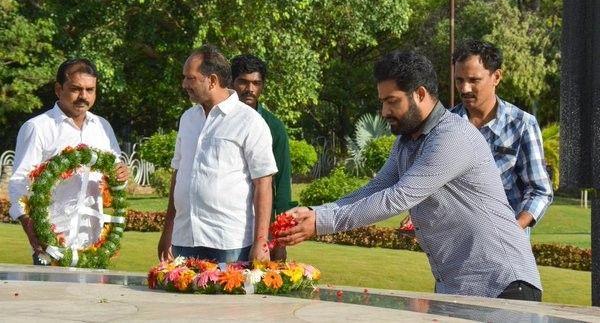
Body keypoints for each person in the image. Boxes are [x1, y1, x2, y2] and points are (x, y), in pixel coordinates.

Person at [279, 50, 542, 301]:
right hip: (457, 287)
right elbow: (377, 187)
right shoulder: (407, 141)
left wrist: (321, 222)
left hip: (503, 285)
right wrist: (316, 212)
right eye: (382, 102)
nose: (384, 112)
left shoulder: (452, 136)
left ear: (419, 94)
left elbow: (397, 198)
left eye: (392, 101)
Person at [157, 45, 278, 263]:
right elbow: (178, 176)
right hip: (185, 238)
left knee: (228, 299)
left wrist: (261, 241)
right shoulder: (188, 119)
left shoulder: (249, 121)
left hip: (228, 242)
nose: (184, 84)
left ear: (212, 80)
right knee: (179, 299)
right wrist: (168, 232)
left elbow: (263, 184)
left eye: (190, 78)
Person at [8, 58, 129, 265]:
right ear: (58, 89)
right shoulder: (38, 128)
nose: (84, 96)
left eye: (90, 90)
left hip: (94, 244)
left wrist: (121, 175)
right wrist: (28, 224)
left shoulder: (102, 127)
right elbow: (19, 182)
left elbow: (115, 174)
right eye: (76, 89)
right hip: (52, 243)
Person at [451, 40, 553, 232]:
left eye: (473, 80)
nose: (465, 89)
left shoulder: (522, 125)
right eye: (459, 80)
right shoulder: (446, 126)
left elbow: (540, 191)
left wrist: (513, 230)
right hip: (455, 248)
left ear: (496, 77)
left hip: (506, 253)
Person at [231, 54, 293, 261]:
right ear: (231, 82)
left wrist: (280, 239)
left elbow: (282, 184)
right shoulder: (217, 120)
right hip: (225, 223)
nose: (250, 89)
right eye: (243, 82)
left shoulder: (273, 126)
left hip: (260, 225)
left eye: (256, 83)